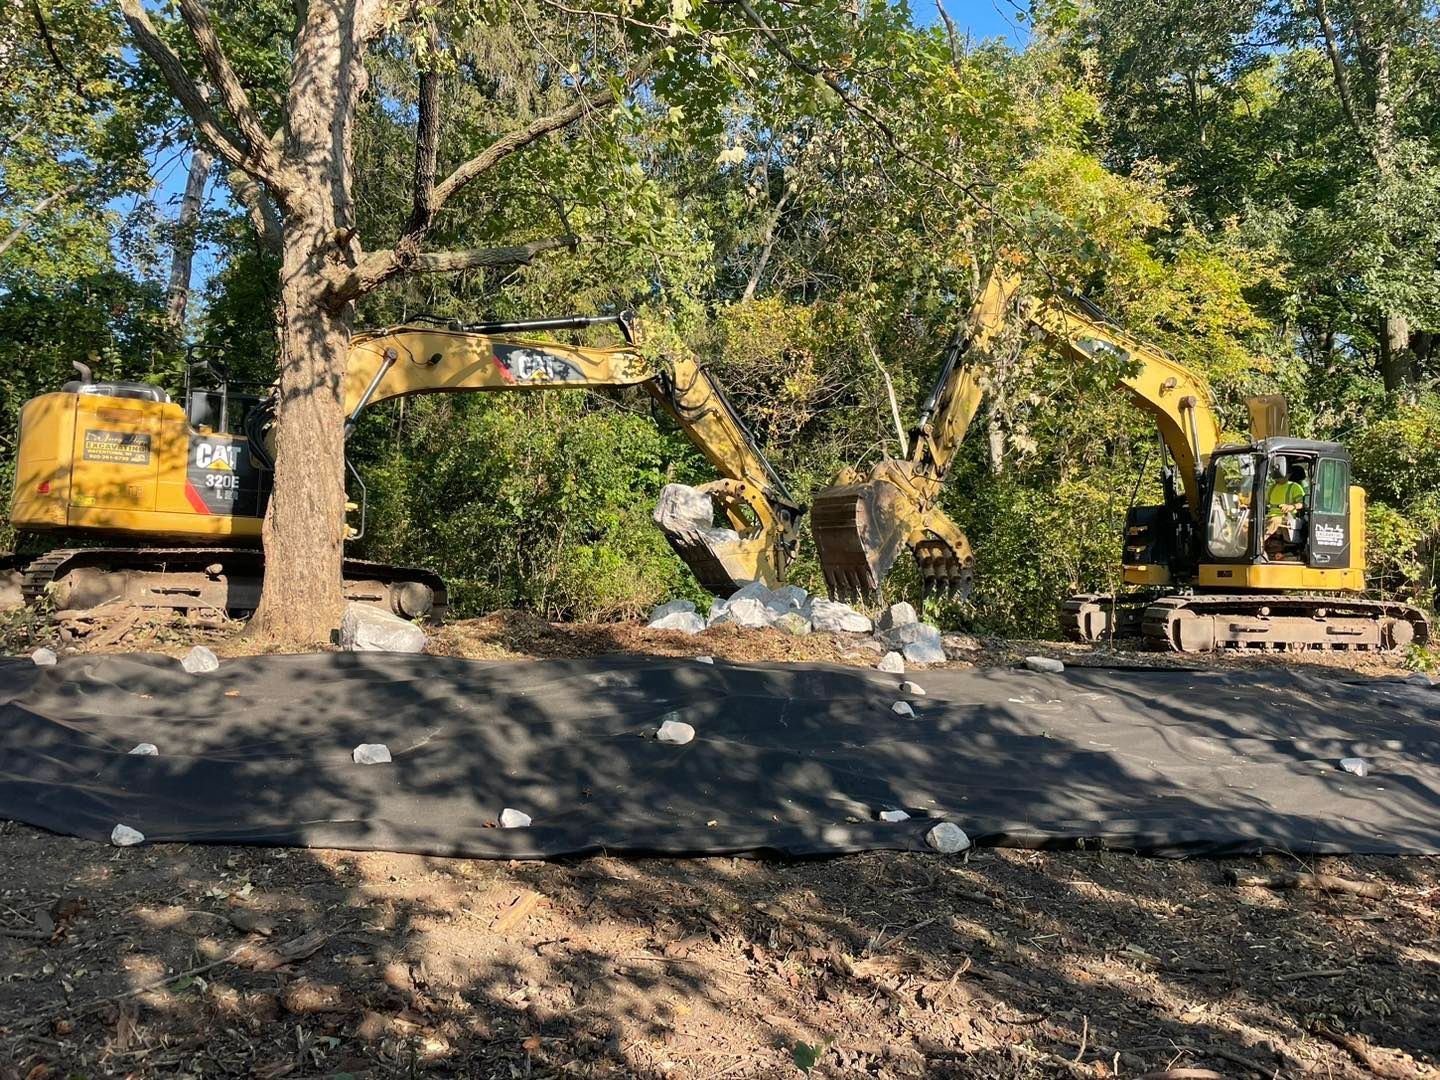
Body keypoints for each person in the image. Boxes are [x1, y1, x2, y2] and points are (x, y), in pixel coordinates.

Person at [1263, 463, 1307, 550]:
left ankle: (1258, 543)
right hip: (1269, 516)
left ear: (1288, 474)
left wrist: (1292, 506)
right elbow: (1263, 502)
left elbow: (1303, 504)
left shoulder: (1295, 487)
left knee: (1275, 520)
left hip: (1287, 517)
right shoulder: (1271, 487)